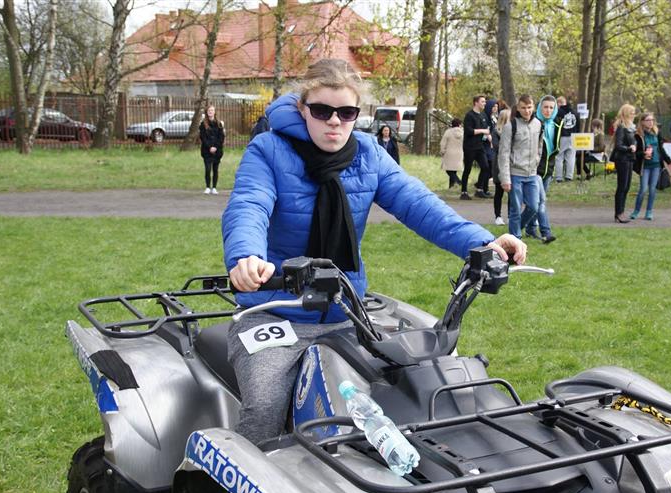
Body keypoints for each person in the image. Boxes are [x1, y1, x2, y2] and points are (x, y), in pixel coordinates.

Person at [222, 59, 526, 445]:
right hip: (275, 310)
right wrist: (246, 256)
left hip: (345, 311)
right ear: (302, 108)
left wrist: (482, 244)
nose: (335, 122)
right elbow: (249, 204)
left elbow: (419, 205)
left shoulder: (368, 154)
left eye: (346, 112)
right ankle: (250, 476)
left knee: (403, 398)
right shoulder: (268, 150)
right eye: (322, 111)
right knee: (265, 407)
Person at [498, 94, 556, 244]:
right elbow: (503, 153)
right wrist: (505, 178)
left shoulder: (538, 124)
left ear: (534, 107)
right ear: (518, 108)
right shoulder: (510, 126)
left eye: (529, 107)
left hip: (532, 174)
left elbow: (540, 147)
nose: (527, 111)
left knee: (534, 207)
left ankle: (516, 229)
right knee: (515, 209)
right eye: (523, 108)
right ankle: (515, 239)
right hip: (515, 173)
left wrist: (536, 162)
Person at [630, 113, 671, 221]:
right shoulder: (638, 135)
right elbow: (635, 152)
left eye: (652, 120)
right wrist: (643, 154)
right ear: (642, 122)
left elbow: (660, 149)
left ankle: (649, 211)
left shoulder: (657, 133)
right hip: (644, 166)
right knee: (643, 189)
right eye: (648, 120)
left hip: (656, 165)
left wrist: (668, 161)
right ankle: (636, 211)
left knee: (652, 189)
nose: (651, 122)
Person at [460, 95, 492, 200]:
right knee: (467, 169)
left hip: (480, 146)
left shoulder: (483, 115)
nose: (484, 103)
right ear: (476, 103)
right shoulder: (469, 115)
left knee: (485, 167)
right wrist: (482, 131)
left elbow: (487, 130)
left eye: (485, 102)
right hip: (469, 147)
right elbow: (469, 131)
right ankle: (464, 192)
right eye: (482, 101)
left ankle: (479, 190)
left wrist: (490, 138)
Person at [611, 103, 637, 223]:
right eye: (632, 113)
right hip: (622, 159)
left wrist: (634, 145)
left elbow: (633, 141)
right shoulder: (622, 127)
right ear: (626, 114)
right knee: (622, 186)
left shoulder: (631, 127)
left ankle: (622, 211)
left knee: (627, 187)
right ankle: (618, 213)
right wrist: (629, 148)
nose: (634, 115)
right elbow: (618, 145)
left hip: (629, 158)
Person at [534, 94, 563, 194]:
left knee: (542, 199)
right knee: (535, 200)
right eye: (545, 107)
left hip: (548, 170)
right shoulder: (533, 123)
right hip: (534, 170)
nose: (548, 110)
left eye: (551, 108)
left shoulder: (557, 125)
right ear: (540, 107)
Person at [199, 104, 225, 195]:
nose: (210, 112)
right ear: (207, 112)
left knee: (215, 169)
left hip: (217, 151)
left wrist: (215, 147)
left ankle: (214, 187)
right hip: (207, 151)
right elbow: (203, 137)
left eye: (212, 110)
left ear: (214, 112)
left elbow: (221, 137)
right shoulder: (203, 124)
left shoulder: (219, 124)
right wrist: (210, 147)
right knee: (207, 169)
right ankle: (207, 187)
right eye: (209, 110)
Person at [553, 96, 578, 183]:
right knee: (571, 157)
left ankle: (559, 177)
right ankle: (569, 176)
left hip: (562, 136)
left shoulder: (558, 112)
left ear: (559, 103)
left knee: (559, 157)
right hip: (573, 136)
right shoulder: (575, 112)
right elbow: (578, 124)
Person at [440, 118, 463, 188]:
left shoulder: (448, 132)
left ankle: (459, 182)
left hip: (449, 153)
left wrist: (442, 151)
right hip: (459, 153)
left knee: (448, 170)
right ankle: (451, 186)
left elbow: (443, 143)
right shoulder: (463, 133)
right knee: (453, 170)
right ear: (459, 125)